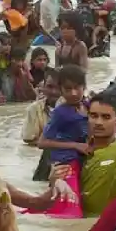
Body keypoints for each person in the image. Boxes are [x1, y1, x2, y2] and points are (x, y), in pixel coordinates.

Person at [31, 65, 89, 218]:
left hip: (82, 160)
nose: (73, 93)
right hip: (65, 163)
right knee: (69, 207)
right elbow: (42, 143)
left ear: (84, 86)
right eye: (67, 89)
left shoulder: (88, 106)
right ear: (61, 90)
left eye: (77, 88)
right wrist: (75, 145)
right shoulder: (60, 113)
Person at [22, 68, 62, 180]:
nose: (54, 91)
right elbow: (28, 140)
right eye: (50, 87)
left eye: (58, 87)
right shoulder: (33, 109)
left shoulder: (73, 109)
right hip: (38, 157)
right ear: (42, 87)